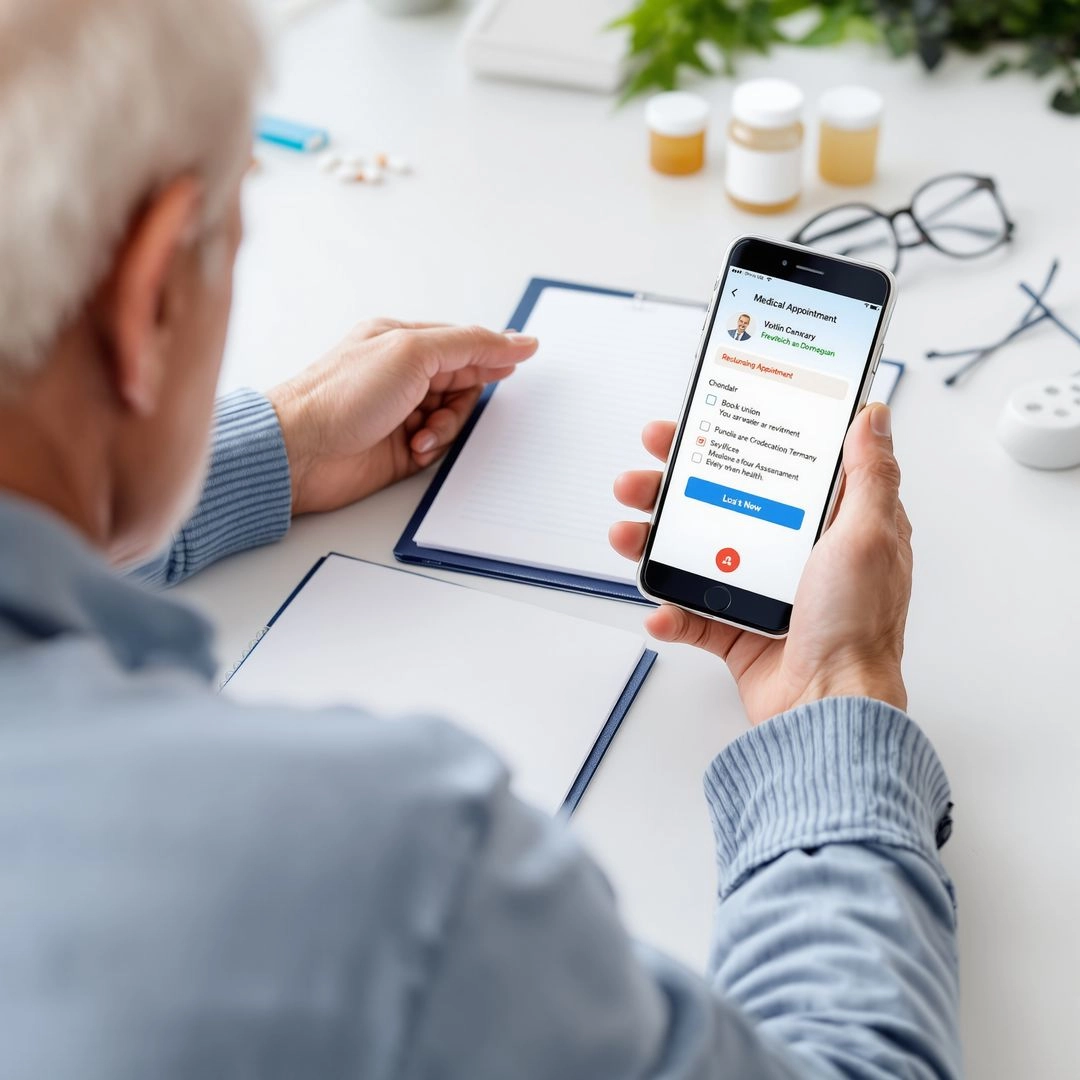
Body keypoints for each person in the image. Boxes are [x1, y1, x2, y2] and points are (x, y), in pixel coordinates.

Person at [0, 1, 960, 1078]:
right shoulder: (374, 864)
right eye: (231, 242)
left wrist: (278, 449)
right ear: (149, 299)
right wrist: (837, 687)